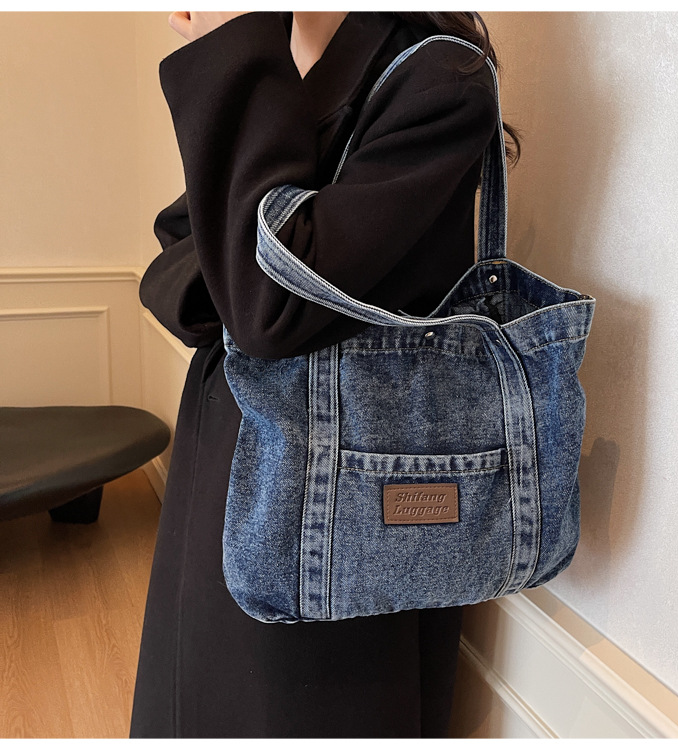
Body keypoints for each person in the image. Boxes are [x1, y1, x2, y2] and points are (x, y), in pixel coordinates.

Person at [130, 10, 518, 738]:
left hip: (330, 512)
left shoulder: (436, 79)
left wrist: (237, 41)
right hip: (231, 478)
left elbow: (263, 301)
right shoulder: (297, 64)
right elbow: (180, 252)